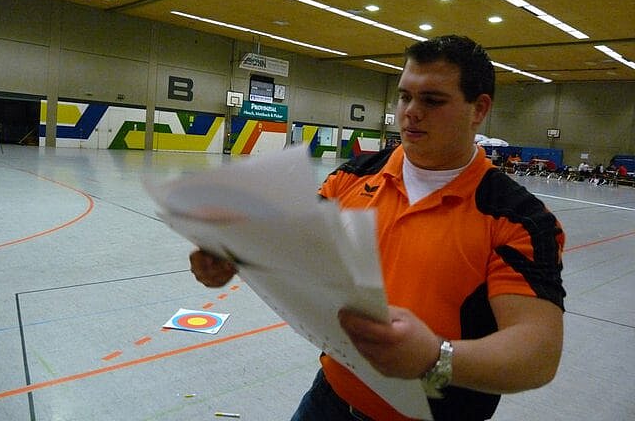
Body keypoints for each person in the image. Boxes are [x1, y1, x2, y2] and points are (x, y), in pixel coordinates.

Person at [189, 35, 566, 421]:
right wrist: (235, 255)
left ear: (479, 109)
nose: (411, 112)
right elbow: (298, 245)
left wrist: (435, 358)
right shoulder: (352, 177)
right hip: (330, 399)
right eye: (405, 96)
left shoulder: (517, 218)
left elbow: (537, 353)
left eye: (432, 100)